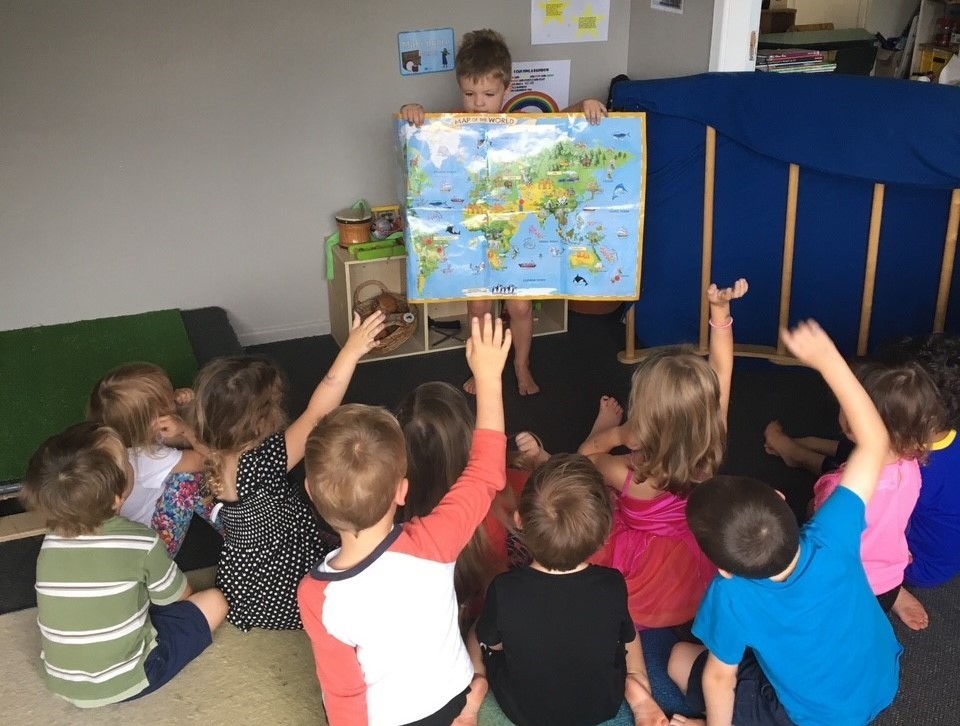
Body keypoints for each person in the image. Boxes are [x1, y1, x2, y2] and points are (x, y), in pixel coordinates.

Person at [667, 320, 902, 726]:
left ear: (724, 569)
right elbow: (875, 442)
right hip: (881, 681)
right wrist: (829, 360)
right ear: (780, 499)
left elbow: (720, 681)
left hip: (820, 718)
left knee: (678, 659)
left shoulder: (731, 596)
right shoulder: (834, 535)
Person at [298, 313, 511, 726]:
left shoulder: (315, 596)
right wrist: (488, 379)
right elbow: (486, 470)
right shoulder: (435, 540)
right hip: (451, 696)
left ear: (311, 493)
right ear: (401, 490)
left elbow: (344, 694)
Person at [400, 28, 607, 397]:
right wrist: (413, 112)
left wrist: (588, 104)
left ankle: (521, 364)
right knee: (479, 307)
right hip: (474, 231)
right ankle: (484, 370)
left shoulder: (525, 126)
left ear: (507, 89)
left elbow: (564, 122)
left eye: (489, 94)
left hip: (517, 233)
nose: (478, 102)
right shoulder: (452, 125)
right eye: (469, 93)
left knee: (521, 308)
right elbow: (423, 132)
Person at [191, 310, 385, 632]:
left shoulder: (212, 450)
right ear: (261, 423)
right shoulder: (261, 461)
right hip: (285, 575)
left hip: (246, 580)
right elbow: (319, 411)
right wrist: (351, 350)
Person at [20, 421, 228, 708]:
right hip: (131, 677)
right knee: (215, 601)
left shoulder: (49, 543)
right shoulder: (140, 541)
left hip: (62, 682)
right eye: (126, 461)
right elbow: (181, 596)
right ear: (118, 497)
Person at [578, 279, 748, 628]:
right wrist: (720, 312)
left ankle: (601, 422)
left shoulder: (627, 474)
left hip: (643, 571)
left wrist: (616, 433)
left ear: (644, 426)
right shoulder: (710, 446)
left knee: (582, 488)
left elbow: (585, 458)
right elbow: (722, 370)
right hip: (695, 563)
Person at [473, 453, 668, 726]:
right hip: (603, 703)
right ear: (603, 537)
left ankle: (475, 689)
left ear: (520, 520)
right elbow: (622, 637)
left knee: (478, 630)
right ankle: (637, 682)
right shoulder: (612, 584)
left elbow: (493, 643)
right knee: (627, 628)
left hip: (525, 712)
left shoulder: (503, 589)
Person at [765, 361, 943, 629]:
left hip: (843, 585)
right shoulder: (911, 466)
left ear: (853, 423)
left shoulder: (841, 485)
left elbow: (823, 529)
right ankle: (894, 595)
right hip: (889, 576)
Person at [396, 381, 532, 626]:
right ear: (469, 434)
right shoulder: (494, 492)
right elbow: (531, 488)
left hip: (455, 612)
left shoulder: (397, 508)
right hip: (496, 606)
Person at [88, 362, 223, 558]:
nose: (175, 396)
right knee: (188, 480)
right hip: (153, 550)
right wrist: (185, 428)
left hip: (128, 542)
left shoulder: (119, 442)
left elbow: (176, 439)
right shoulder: (149, 458)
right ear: (154, 422)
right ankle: (236, 529)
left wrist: (184, 411)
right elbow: (209, 458)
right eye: (169, 398)